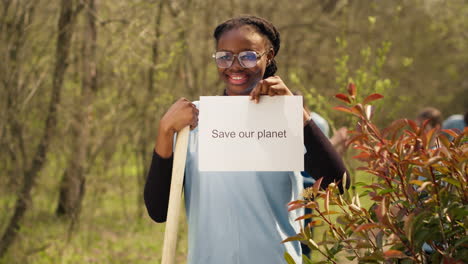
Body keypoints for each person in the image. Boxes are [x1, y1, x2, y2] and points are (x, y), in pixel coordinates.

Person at [144, 15, 349, 264]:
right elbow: (158, 211)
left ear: (269, 56)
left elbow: (338, 186)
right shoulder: (193, 122)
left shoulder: (286, 120)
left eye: (249, 55)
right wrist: (165, 131)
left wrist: (297, 115)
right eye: (224, 56)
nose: (235, 66)